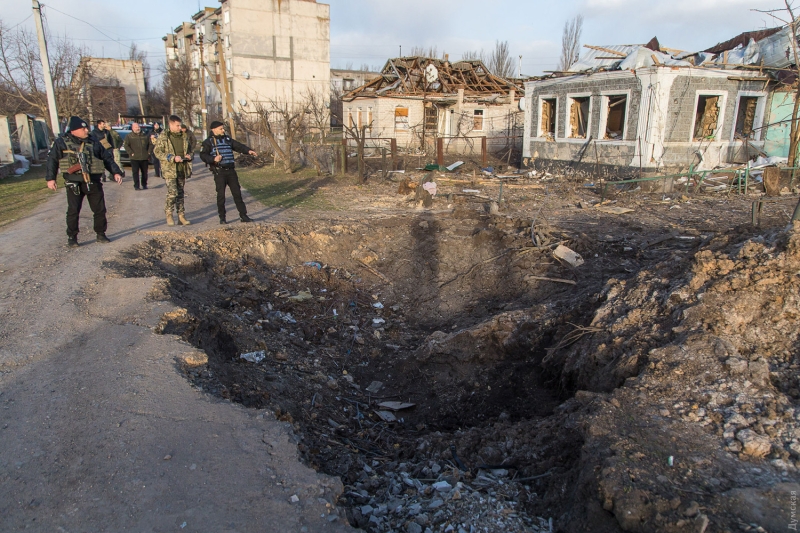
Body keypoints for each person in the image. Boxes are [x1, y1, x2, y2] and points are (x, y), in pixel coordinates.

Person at [45, 115, 123, 247]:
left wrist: (116, 172)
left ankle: (100, 234)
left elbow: (106, 158)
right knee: (73, 210)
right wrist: (50, 178)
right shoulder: (61, 142)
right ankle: (72, 237)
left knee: (99, 210)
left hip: (93, 181)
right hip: (74, 182)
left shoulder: (94, 141)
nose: (87, 131)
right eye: (84, 129)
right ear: (74, 130)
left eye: (86, 128)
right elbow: (52, 160)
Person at [199, 120, 256, 224]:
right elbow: (203, 155)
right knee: (221, 196)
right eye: (220, 128)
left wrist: (248, 151)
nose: (223, 130)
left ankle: (243, 216)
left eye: (223, 128)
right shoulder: (208, 142)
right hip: (219, 172)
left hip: (231, 171)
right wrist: (213, 159)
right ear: (214, 129)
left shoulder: (227, 139)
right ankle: (222, 218)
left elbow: (238, 146)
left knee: (237, 194)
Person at [153, 115, 195, 226]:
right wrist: (171, 158)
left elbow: (191, 149)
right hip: (170, 170)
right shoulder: (164, 136)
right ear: (171, 125)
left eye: (180, 125)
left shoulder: (184, 136)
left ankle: (181, 216)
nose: (179, 127)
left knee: (180, 193)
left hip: (182, 168)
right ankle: (169, 214)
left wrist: (189, 155)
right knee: (172, 192)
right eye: (177, 125)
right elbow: (157, 152)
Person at [122, 123, 151, 190]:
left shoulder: (145, 135)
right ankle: (136, 186)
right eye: (136, 127)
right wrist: (130, 152)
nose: (137, 128)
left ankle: (144, 184)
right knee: (135, 172)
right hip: (134, 157)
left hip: (144, 157)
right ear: (132, 128)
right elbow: (126, 145)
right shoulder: (129, 136)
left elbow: (150, 144)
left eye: (138, 127)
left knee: (144, 172)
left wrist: (149, 152)